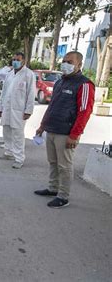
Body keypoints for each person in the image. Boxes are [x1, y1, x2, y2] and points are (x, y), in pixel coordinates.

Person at [34, 51, 95, 208]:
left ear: (79, 64)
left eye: (70, 61)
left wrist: (74, 135)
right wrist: (42, 126)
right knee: (53, 162)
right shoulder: (60, 82)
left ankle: (63, 196)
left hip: (66, 133)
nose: (65, 64)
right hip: (52, 128)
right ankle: (53, 188)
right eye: (64, 60)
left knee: (64, 165)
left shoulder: (84, 84)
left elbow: (85, 112)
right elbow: (52, 106)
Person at [0, 52, 36, 169]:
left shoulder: (29, 74)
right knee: (6, 131)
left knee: (17, 135)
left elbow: (31, 94)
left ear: (23, 61)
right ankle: (8, 152)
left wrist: (28, 110)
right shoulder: (9, 74)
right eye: (13, 59)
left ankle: (19, 158)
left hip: (19, 110)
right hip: (7, 108)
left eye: (17, 59)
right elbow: (4, 92)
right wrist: (0, 108)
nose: (15, 61)